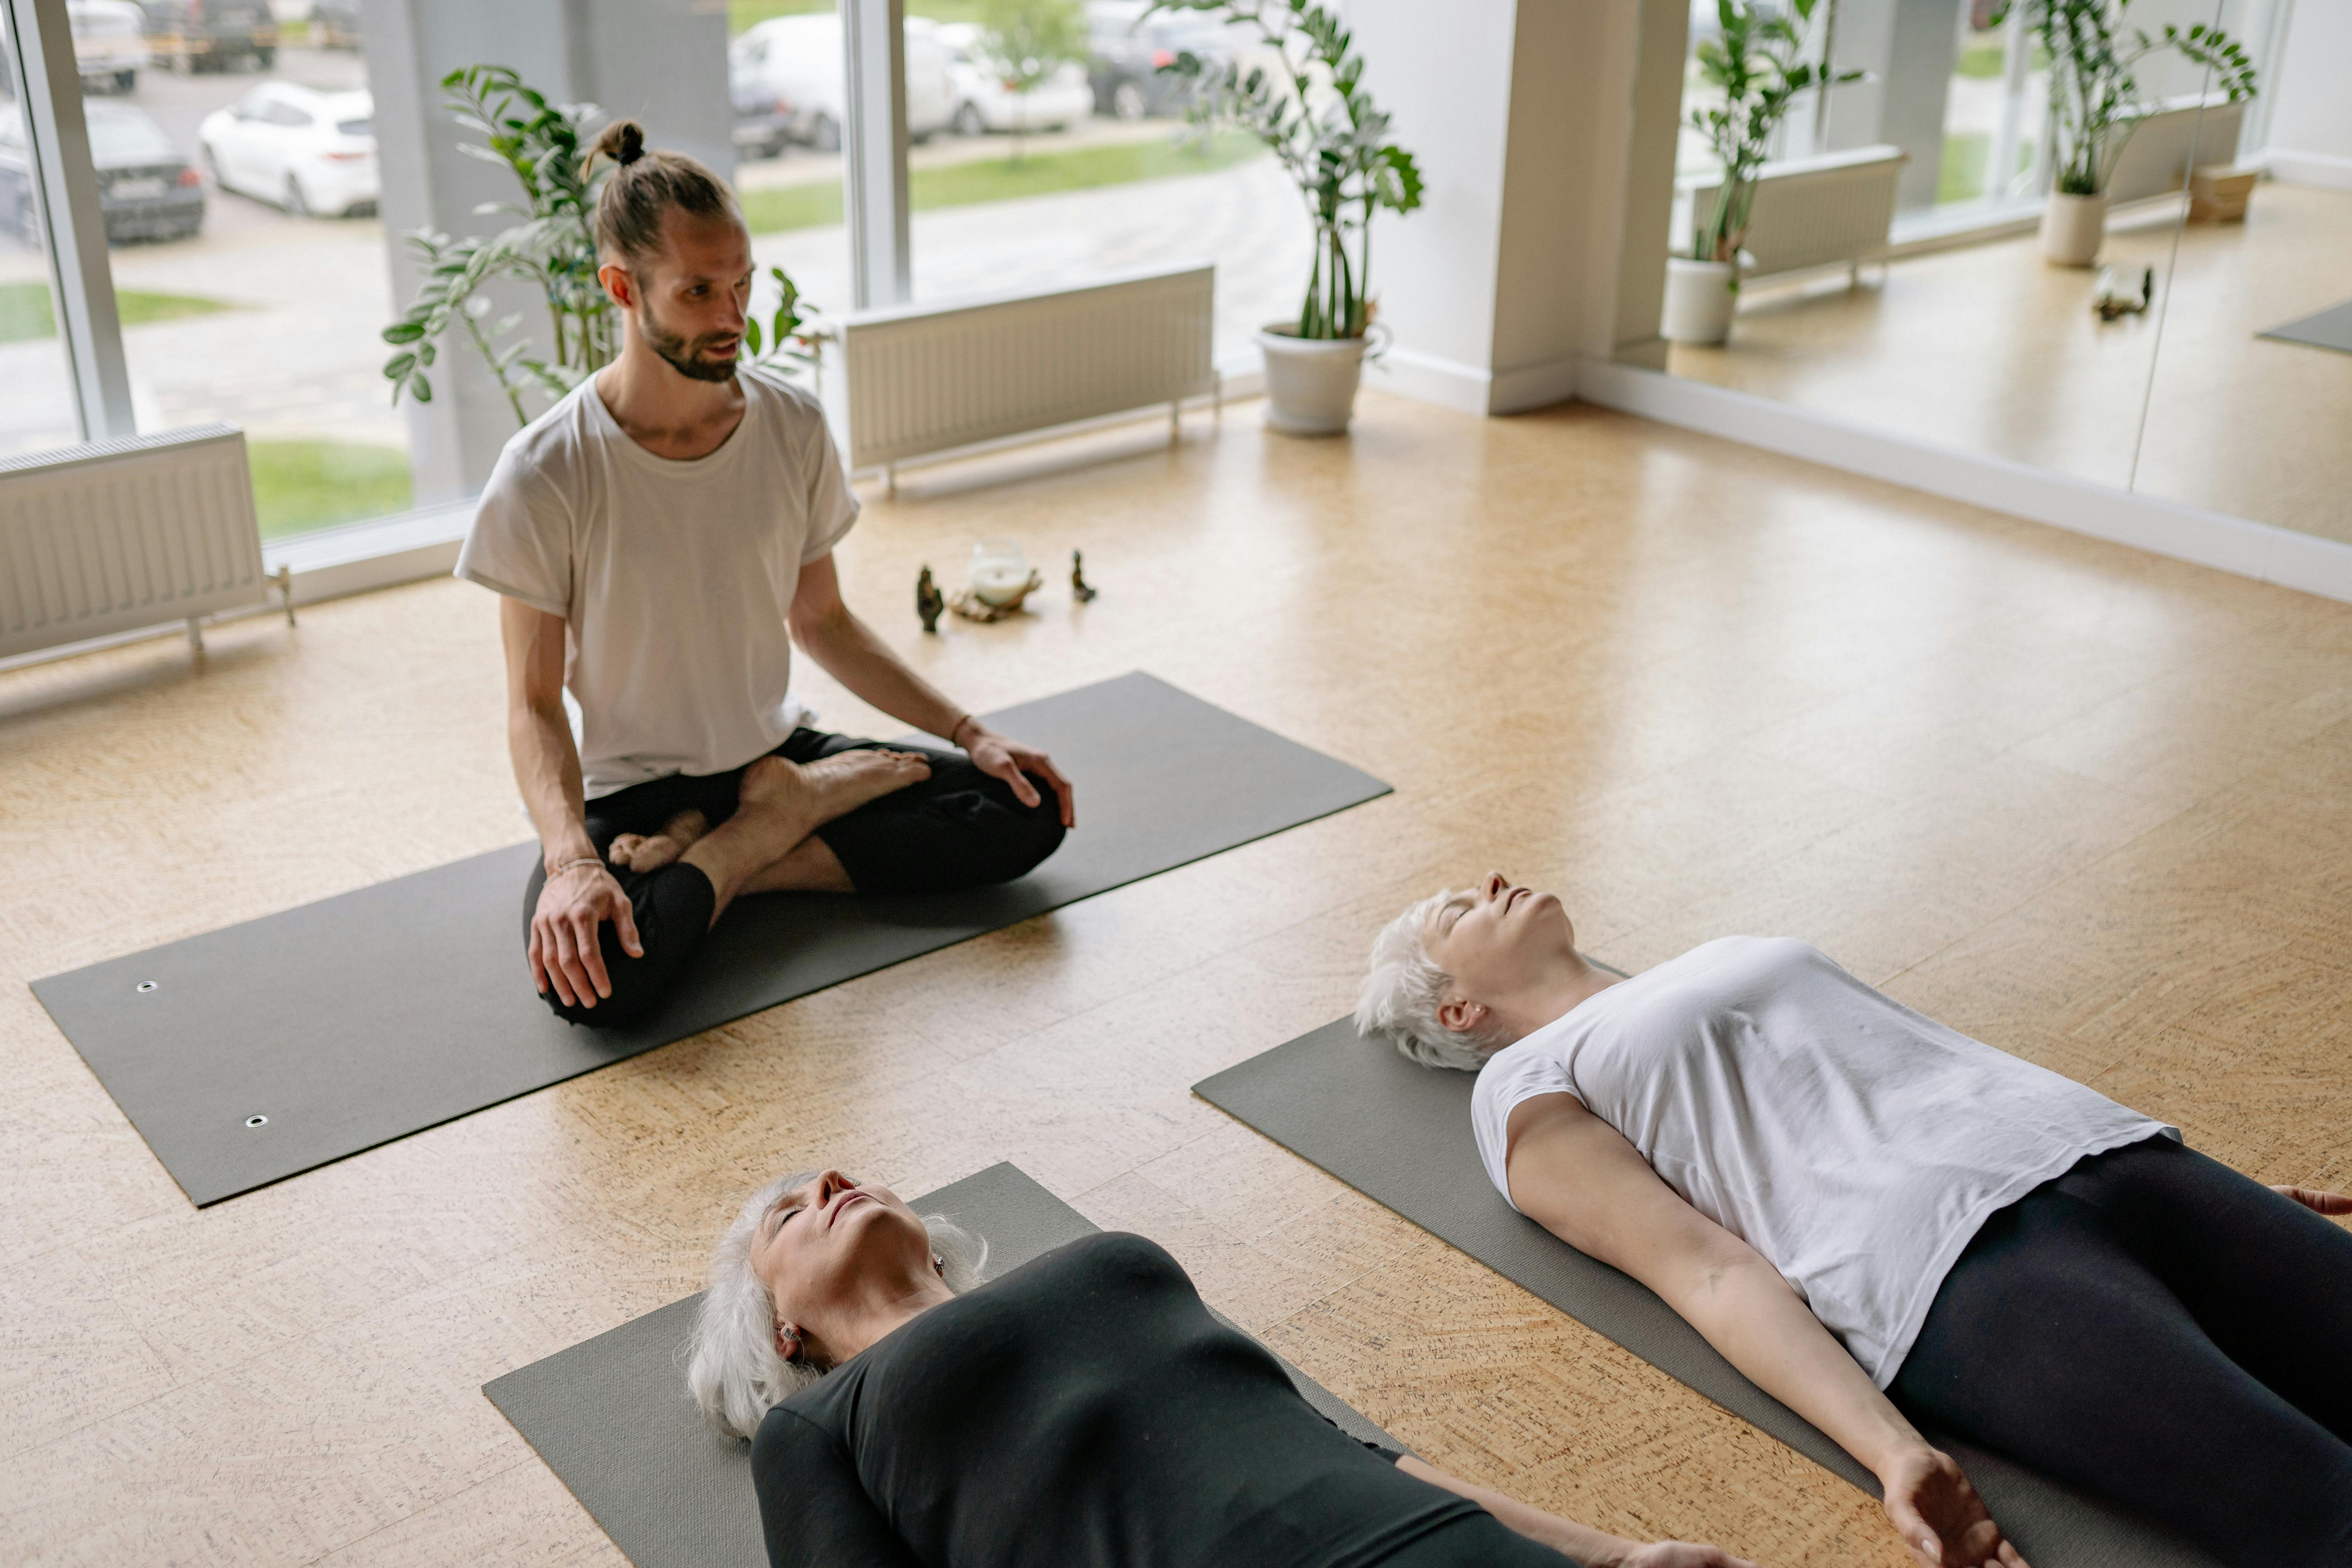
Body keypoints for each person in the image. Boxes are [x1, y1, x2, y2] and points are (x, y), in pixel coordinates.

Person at [1357, 873, 2352, 1568]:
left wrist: (2218, 1179)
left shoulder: (1715, 956)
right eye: (1459, 907)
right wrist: (1889, 1450)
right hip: (1955, 1269)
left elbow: (1925, 1057)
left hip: (2107, 1153)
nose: (1493, 878)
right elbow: (1704, 1269)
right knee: (2319, 1505)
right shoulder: (1521, 1089)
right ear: (1456, 1011)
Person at [455, 121, 1073, 1027]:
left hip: (772, 755)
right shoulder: (546, 468)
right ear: (623, 289)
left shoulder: (790, 427)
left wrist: (971, 731)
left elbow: (821, 621)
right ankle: (772, 826)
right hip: (632, 792)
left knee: (1025, 811)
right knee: (590, 981)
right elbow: (533, 704)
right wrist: (572, 863)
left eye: (739, 283)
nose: (731, 314)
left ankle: (739, 848)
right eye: (698, 290)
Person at [687, 1167, 1761, 1568]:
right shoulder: (818, 1427)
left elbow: (1344, 1448)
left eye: (842, 1174)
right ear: (782, 1331)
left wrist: (1616, 1557)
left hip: (1433, 1544)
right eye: (789, 1214)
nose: (831, 1179)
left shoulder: (1093, 1272)